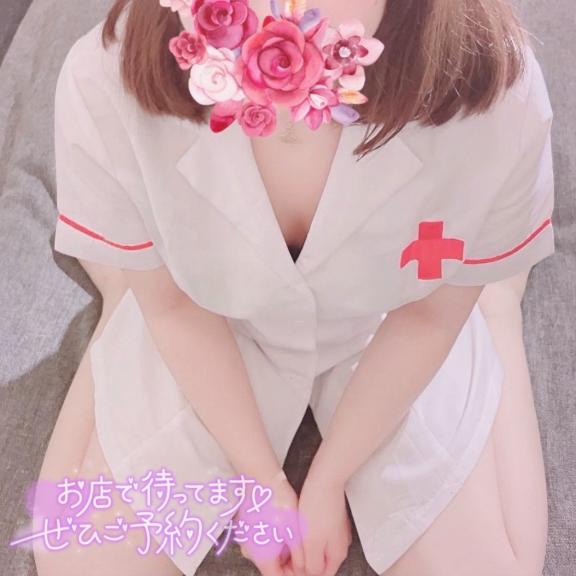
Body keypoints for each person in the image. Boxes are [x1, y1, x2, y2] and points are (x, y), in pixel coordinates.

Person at [33, 0, 556, 575]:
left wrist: (330, 477)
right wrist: (262, 479)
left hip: (390, 316)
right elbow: (174, 307)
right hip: (209, 313)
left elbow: (431, 318)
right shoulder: (104, 77)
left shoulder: (499, 93)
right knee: (74, 561)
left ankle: (496, 299)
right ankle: (121, 295)